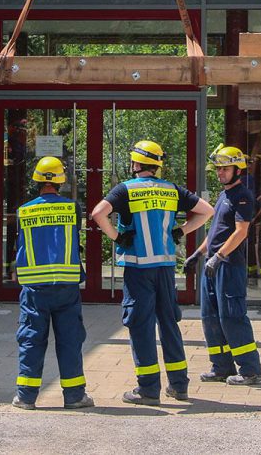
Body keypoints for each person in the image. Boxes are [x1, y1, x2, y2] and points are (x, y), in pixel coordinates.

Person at [91, 140, 214, 405]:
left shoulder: (125, 189)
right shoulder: (172, 190)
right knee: (169, 324)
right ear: (157, 164)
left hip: (138, 269)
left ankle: (148, 390)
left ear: (135, 163)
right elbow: (207, 211)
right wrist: (181, 231)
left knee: (141, 325)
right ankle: (179, 385)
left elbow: (98, 214)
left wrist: (117, 237)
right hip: (165, 269)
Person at [11, 156, 94, 410]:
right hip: (66, 287)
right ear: (61, 181)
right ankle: (74, 396)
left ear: (36, 179)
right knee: (70, 340)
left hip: (35, 288)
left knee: (31, 339)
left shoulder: (24, 210)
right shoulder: (72, 208)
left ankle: (26, 397)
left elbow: (20, 244)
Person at [190, 145, 261, 386]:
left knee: (232, 317)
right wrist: (199, 253)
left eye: (225, 169)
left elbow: (241, 232)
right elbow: (216, 232)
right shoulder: (224, 195)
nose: (220, 173)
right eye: (218, 169)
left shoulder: (243, 196)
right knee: (210, 317)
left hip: (229, 266)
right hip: (213, 265)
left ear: (238, 169)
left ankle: (250, 370)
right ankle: (221, 366)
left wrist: (218, 257)